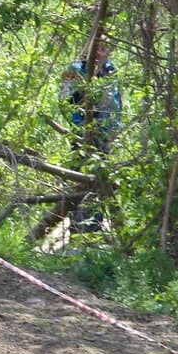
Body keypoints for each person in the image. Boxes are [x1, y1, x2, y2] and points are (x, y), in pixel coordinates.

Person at [58, 41, 122, 232]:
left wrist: (101, 72)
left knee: (100, 179)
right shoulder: (75, 69)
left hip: (103, 134)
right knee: (78, 177)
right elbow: (63, 98)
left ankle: (95, 226)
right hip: (81, 133)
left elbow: (113, 104)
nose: (99, 53)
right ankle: (76, 226)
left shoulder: (111, 71)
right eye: (97, 48)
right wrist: (86, 78)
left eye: (104, 49)